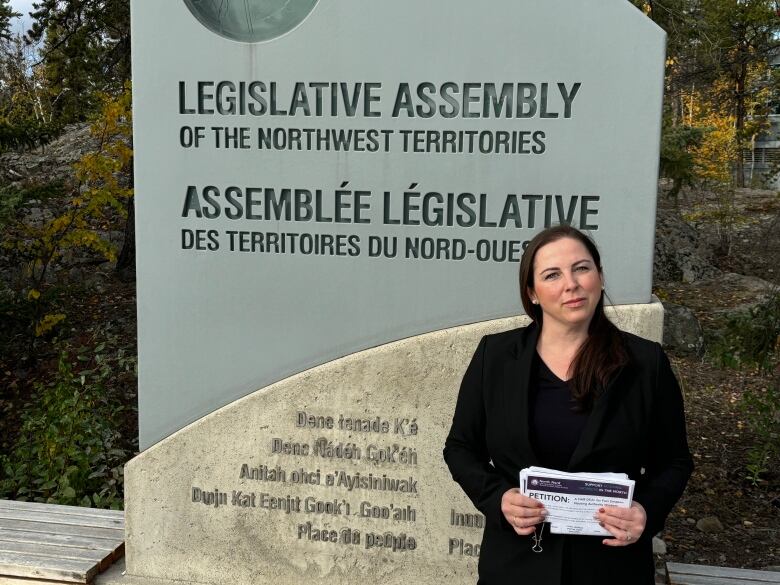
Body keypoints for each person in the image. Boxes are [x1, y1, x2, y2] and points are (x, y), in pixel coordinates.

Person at [443, 225, 693, 585]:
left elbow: (674, 461)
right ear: (532, 293)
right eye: (552, 275)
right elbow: (461, 448)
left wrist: (646, 512)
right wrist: (498, 498)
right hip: (516, 565)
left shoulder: (645, 363)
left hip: (611, 567)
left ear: (600, 276)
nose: (571, 284)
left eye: (582, 268)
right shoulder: (495, 357)